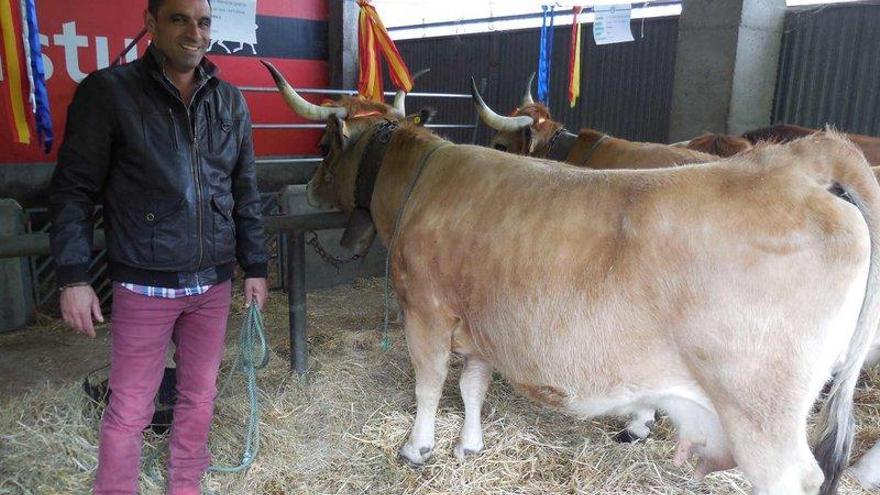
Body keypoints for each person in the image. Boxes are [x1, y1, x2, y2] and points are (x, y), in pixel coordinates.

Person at [48, 0, 268, 492]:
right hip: (144, 284)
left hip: (212, 284)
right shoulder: (109, 93)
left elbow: (245, 190)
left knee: (200, 397)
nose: (195, 32)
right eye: (179, 19)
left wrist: (255, 265)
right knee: (130, 408)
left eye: (204, 21)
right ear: (150, 25)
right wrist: (73, 276)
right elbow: (73, 190)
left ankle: (185, 485)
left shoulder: (229, 101)